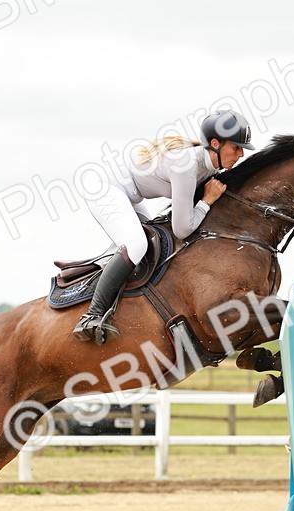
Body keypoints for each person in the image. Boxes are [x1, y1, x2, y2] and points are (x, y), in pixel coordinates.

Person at [71, 109, 256, 345]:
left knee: (152, 241)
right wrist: (207, 202)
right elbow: (183, 228)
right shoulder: (187, 165)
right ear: (215, 143)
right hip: (107, 188)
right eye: (236, 147)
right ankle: (92, 315)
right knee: (137, 245)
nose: (240, 154)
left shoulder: (210, 165)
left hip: (130, 195)